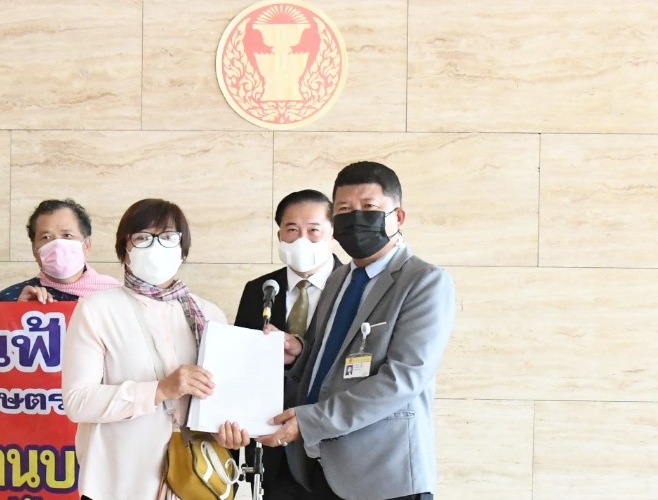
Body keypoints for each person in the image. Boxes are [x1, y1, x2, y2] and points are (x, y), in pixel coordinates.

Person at [258, 162, 456, 500]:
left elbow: (403, 378)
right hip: (320, 470)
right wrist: (300, 353)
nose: (356, 219)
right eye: (345, 210)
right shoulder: (339, 279)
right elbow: (334, 356)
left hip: (385, 475)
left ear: (398, 217)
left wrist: (311, 421)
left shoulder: (424, 282)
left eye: (369, 207)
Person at [61, 198, 250, 500]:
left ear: (183, 248)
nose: (156, 246)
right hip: (119, 482)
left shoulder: (209, 315)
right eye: (143, 238)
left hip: (195, 480)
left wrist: (228, 431)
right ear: (125, 249)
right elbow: (78, 401)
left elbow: (220, 399)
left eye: (168, 237)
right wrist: (159, 390)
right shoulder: (97, 309)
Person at [233, 189, 342, 500]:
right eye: (292, 229)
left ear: (332, 233)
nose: (302, 239)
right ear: (279, 234)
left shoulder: (354, 287)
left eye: (313, 230)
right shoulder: (259, 290)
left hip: (334, 450)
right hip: (272, 452)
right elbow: (241, 366)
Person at [0, 198, 120, 303]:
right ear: (34, 249)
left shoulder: (115, 296)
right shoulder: (8, 300)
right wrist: (18, 315)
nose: (57, 245)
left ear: (87, 245)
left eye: (67, 235)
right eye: (46, 237)